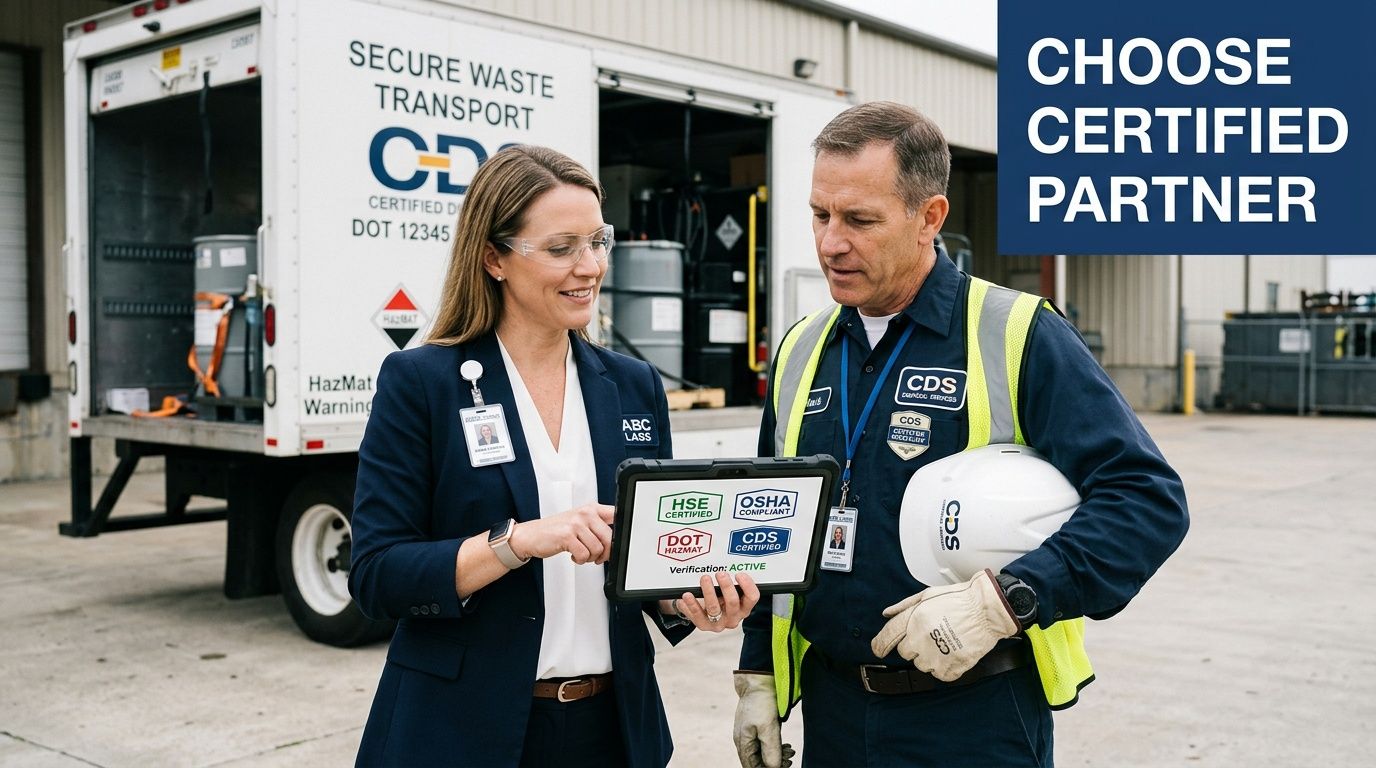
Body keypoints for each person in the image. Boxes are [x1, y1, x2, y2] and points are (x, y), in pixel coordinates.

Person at [732, 102, 1189, 767]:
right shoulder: (803, 349)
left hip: (973, 720)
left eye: (860, 220)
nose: (831, 242)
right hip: (833, 714)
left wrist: (1008, 600)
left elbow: (1146, 502)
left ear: (931, 217)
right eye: (820, 214)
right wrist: (758, 675)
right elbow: (771, 525)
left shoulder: (1015, 333)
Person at [349, 145, 760, 768]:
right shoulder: (422, 382)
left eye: (597, 241)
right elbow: (378, 574)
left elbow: (649, 558)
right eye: (561, 248)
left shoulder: (635, 386)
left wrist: (691, 600)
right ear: (494, 258)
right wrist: (518, 541)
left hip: (611, 731)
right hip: (461, 731)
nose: (589, 266)